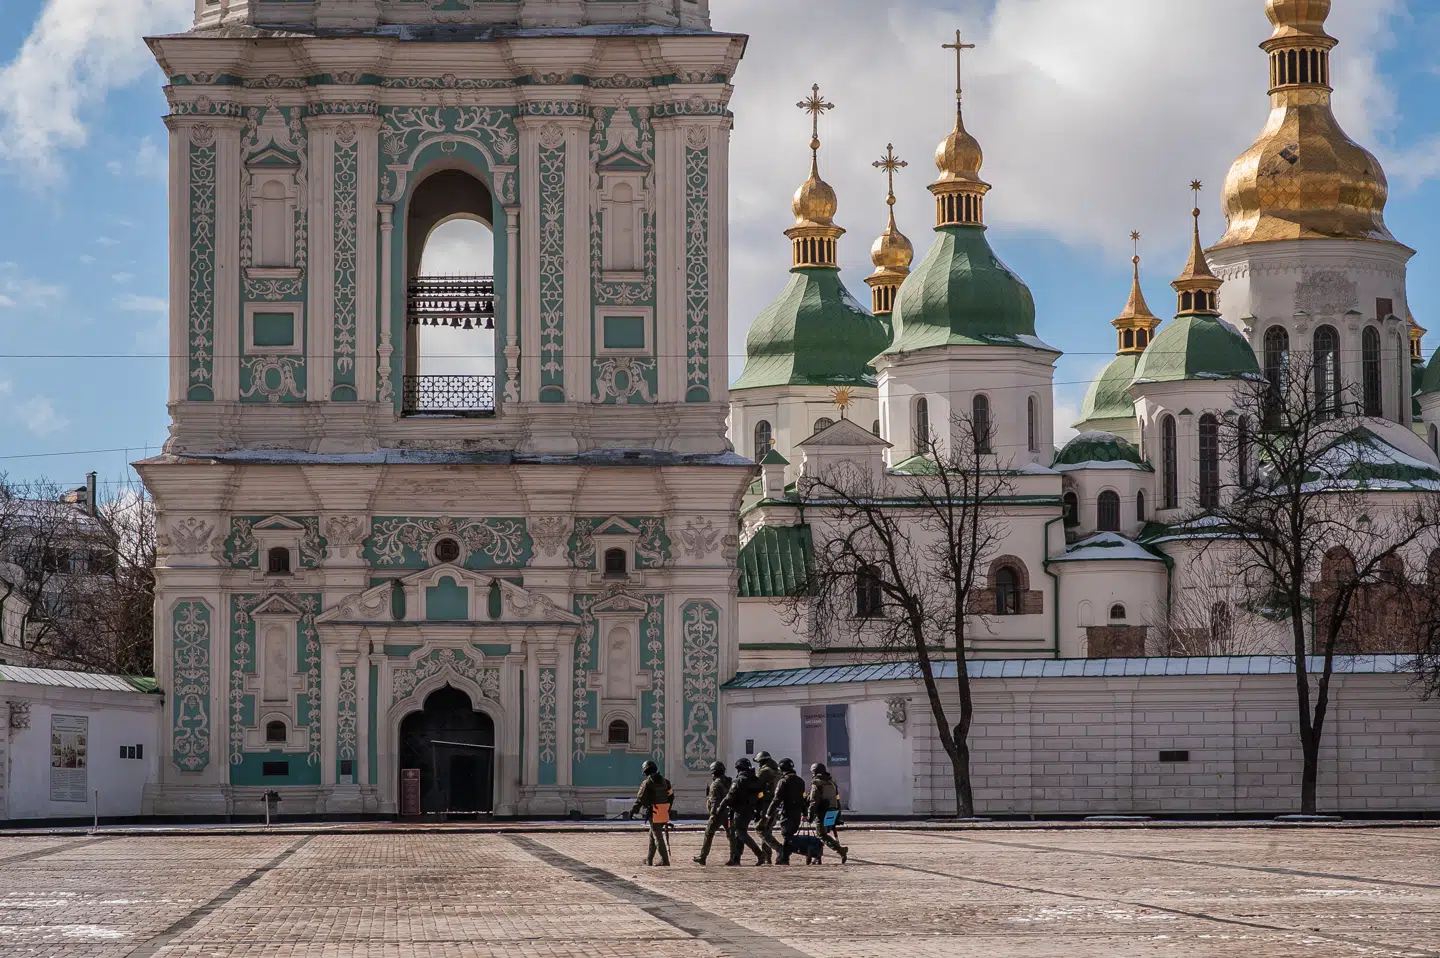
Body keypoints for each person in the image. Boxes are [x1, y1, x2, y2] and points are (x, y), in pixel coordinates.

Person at [717, 757, 765, 866]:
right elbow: (760, 797)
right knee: (738, 835)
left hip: (740, 810)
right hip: (750, 810)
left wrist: (721, 807)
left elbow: (730, 796)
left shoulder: (738, 781)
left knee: (741, 833)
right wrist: (758, 812)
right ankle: (736, 859)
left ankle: (760, 854)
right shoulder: (756, 780)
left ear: (739, 769)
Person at [762, 758, 808, 864]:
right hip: (797, 812)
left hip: (787, 811)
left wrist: (769, 812)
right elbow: (803, 798)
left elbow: (777, 799)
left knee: (786, 834)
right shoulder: (800, 781)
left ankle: (792, 854)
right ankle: (785, 857)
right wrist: (804, 812)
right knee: (789, 834)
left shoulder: (783, 781)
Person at [630, 759, 674, 866]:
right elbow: (671, 796)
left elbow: (640, 799)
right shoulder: (666, 781)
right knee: (653, 835)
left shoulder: (647, 783)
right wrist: (667, 808)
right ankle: (649, 859)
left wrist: (633, 810)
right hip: (663, 812)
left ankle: (665, 859)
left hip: (654, 812)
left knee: (657, 836)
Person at [693, 760, 733, 866]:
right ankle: (734, 857)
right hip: (728, 811)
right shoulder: (729, 782)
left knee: (709, 833)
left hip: (718, 812)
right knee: (731, 835)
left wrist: (712, 813)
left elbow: (714, 801)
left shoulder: (715, 784)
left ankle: (703, 856)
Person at [808, 762, 849, 864]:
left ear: (814, 772)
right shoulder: (832, 782)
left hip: (822, 812)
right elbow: (837, 799)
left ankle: (840, 850)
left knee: (821, 834)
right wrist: (838, 815)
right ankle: (817, 857)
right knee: (822, 834)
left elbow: (814, 801)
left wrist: (810, 815)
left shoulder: (817, 783)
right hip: (833, 811)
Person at [753, 751, 781, 864]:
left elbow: (756, 784)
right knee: (767, 830)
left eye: (759, 762)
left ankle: (779, 849)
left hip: (766, 804)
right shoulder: (778, 771)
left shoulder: (765, 771)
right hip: (775, 804)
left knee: (760, 829)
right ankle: (767, 857)